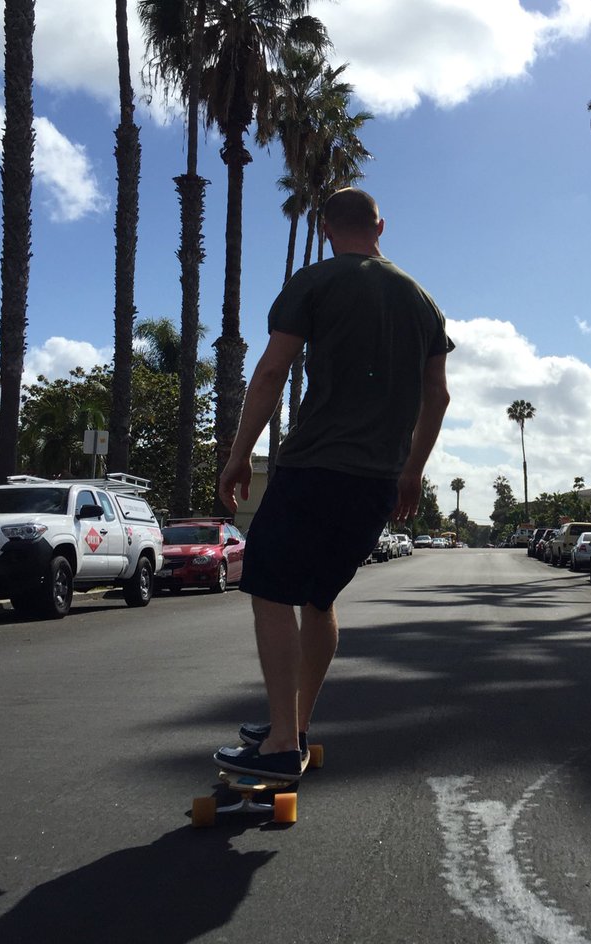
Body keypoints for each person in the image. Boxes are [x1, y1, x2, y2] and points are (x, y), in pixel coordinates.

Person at [213, 187, 452, 780]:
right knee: (319, 600)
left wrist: (239, 456)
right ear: (380, 226)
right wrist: (412, 471)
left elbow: (272, 371)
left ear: (324, 228)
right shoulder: (423, 301)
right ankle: (293, 726)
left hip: (315, 466)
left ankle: (280, 746)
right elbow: (438, 396)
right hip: (377, 480)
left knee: (270, 588)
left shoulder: (314, 282)